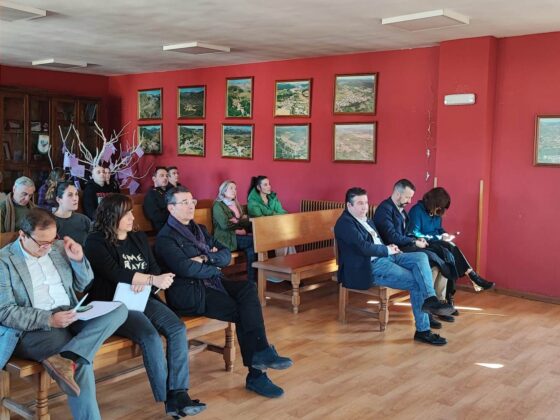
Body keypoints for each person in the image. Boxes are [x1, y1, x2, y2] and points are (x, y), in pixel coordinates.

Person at [155, 186, 293, 398]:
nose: (191, 206)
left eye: (192, 201)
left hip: (212, 282)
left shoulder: (199, 230)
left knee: (248, 288)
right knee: (242, 311)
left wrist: (205, 258)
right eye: (184, 202)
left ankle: (261, 354)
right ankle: (257, 374)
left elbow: (226, 255)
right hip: (191, 293)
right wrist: (213, 265)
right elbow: (186, 269)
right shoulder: (166, 238)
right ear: (171, 208)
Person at [84, 194, 206, 417]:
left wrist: (148, 280)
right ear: (112, 216)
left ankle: (179, 392)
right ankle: (168, 399)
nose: (132, 217)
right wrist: (147, 279)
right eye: (127, 213)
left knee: (177, 328)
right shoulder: (95, 241)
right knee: (150, 336)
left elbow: (154, 268)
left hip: (142, 298)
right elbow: (114, 273)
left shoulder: (138, 237)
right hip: (114, 305)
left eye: (131, 212)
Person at [0, 208, 128, 419]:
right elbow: (5, 312)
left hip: (70, 312)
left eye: (52, 240)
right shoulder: (4, 261)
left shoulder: (58, 248)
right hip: (36, 325)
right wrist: (49, 319)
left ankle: (69, 356)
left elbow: (83, 284)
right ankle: (73, 359)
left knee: (119, 309)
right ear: (23, 235)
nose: (47, 247)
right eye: (42, 243)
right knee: (81, 364)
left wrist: (78, 260)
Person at [334, 187, 455, 346]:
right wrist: (387, 250)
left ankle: (431, 299)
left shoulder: (366, 219)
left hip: (387, 256)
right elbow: (364, 247)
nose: (365, 207)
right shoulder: (345, 223)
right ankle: (423, 331)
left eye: (366, 202)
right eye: (360, 203)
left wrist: (389, 248)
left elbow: (376, 241)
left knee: (421, 256)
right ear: (349, 205)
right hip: (369, 266)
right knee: (417, 281)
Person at [408, 187, 495, 295]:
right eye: (439, 207)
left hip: (436, 243)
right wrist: (439, 238)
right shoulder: (416, 211)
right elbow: (414, 234)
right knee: (450, 247)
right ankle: (472, 276)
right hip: (422, 244)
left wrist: (444, 234)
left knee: (450, 256)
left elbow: (439, 229)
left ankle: (446, 298)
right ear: (433, 203)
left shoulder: (437, 213)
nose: (440, 211)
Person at [212, 180, 256, 282]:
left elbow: (247, 222)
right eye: (231, 188)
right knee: (254, 242)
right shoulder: (218, 205)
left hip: (237, 236)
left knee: (253, 245)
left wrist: (238, 221)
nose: (234, 191)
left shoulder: (236, 204)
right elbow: (225, 225)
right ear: (223, 191)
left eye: (235, 188)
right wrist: (240, 224)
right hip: (226, 238)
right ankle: (252, 280)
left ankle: (251, 280)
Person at [53, 181, 92, 246]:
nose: (75, 199)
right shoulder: (51, 222)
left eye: (76, 194)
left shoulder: (84, 219)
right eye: (70, 195)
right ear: (59, 199)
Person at [143, 166, 170, 231]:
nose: (165, 178)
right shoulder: (151, 194)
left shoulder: (169, 192)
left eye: (167, 176)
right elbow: (155, 216)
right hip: (164, 228)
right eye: (161, 176)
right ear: (154, 179)